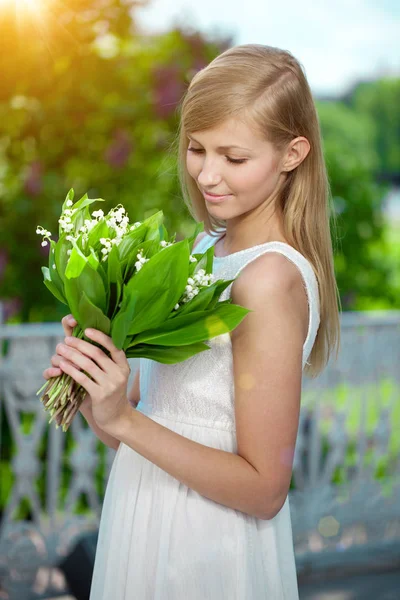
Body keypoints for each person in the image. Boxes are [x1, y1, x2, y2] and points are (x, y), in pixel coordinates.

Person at [43, 43, 341, 599]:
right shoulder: (203, 249)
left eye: (234, 157)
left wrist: (127, 424)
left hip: (208, 550)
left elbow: (265, 490)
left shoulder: (269, 280)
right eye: (196, 148)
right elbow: (145, 432)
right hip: (143, 514)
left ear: (292, 153)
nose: (207, 174)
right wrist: (98, 398)